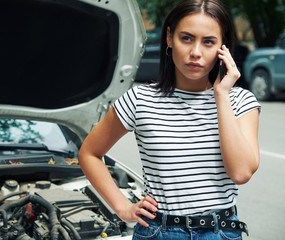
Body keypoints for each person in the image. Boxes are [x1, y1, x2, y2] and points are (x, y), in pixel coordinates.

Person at [78, 0, 261, 239]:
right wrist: (123, 207)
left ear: (222, 47)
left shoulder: (240, 101)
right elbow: (89, 153)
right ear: (169, 38)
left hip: (220, 232)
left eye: (208, 42)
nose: (196, 52)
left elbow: (241, 173)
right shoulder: (139, 99)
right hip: (159, 231)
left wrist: (221, 95)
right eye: (186, 38)